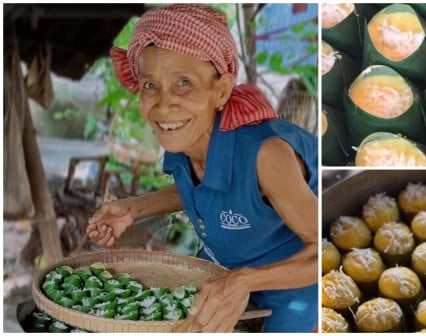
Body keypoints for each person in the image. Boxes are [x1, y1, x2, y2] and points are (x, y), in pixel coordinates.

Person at [85, 4, 318, 332]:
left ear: (220, 90)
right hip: (224, 274)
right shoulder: (187, 140)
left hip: (293, 285)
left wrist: (244, 281)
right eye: (150, 85)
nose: (164, 104)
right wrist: (133, 209)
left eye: (183, 83)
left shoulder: (266, 155)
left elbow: (326, 249)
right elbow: (202, 189)